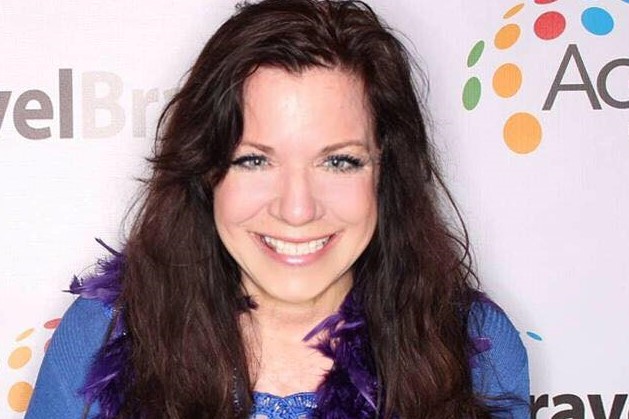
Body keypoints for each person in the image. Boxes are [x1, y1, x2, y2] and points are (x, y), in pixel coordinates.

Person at [26, 0, 529, 418]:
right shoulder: (100, 335)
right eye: (254, 160)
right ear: (206, 171)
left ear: (386, 170)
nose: (297, 209)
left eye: (339, 161)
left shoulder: (475, 346)